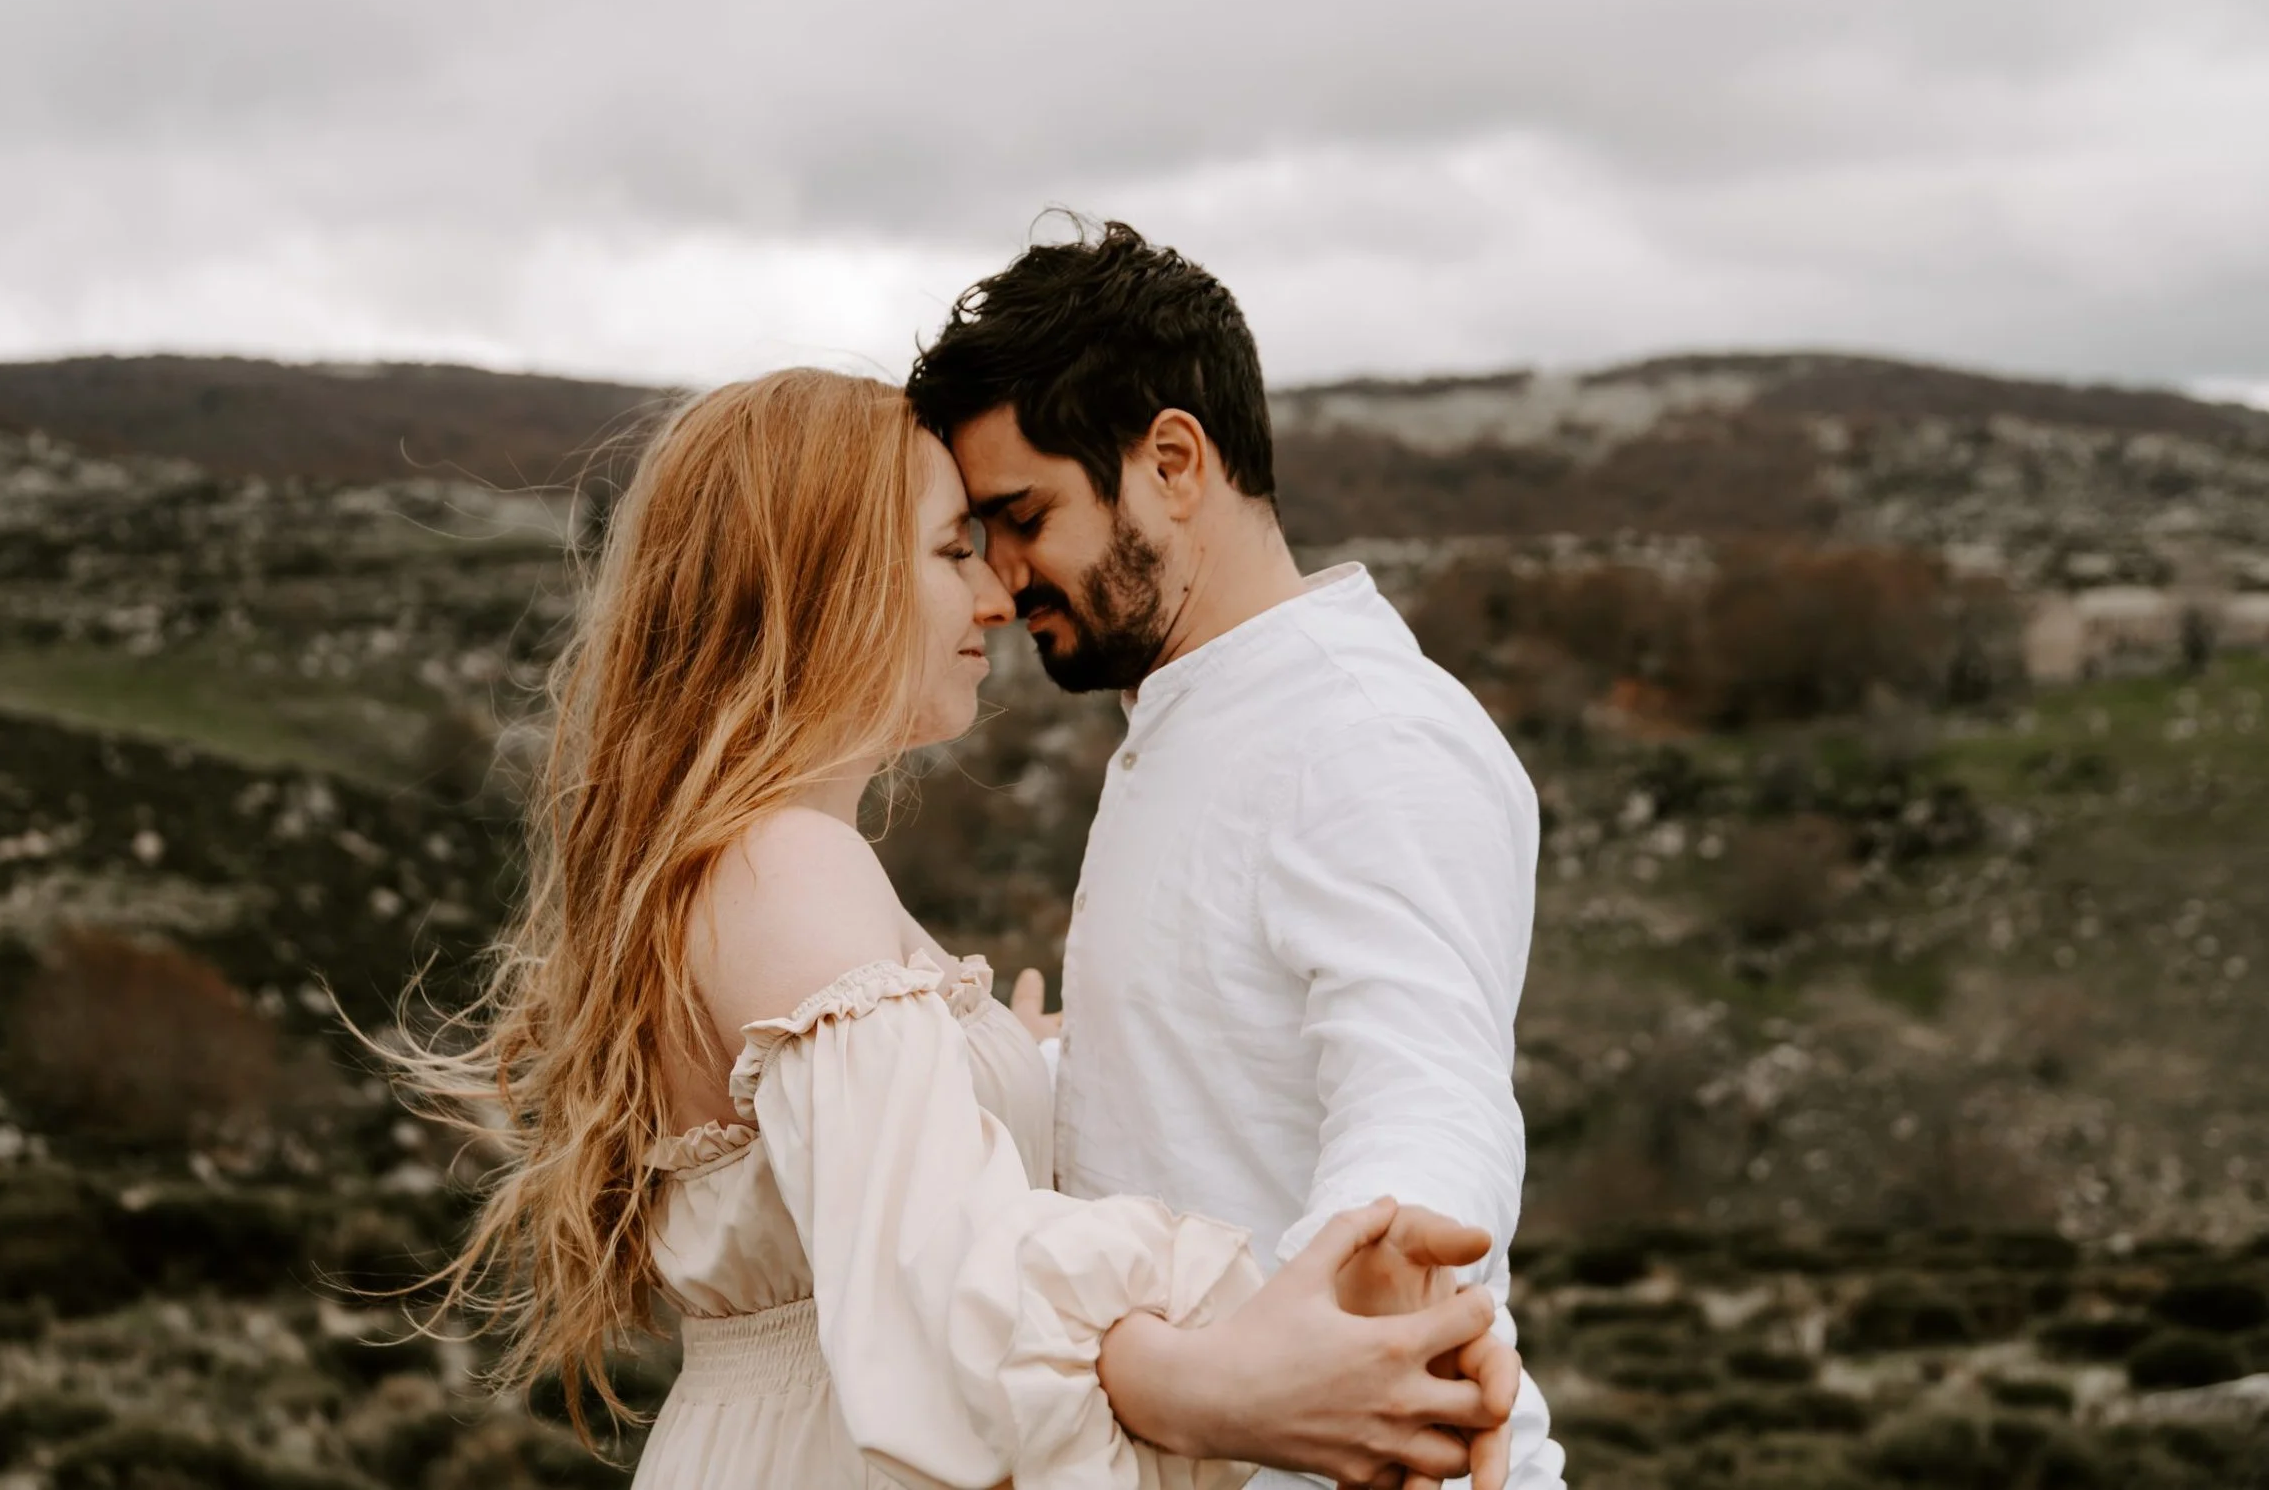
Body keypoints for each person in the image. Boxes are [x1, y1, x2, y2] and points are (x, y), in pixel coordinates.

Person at [383, 368, 1521, 1489]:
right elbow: (939, 1271)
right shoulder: (793, 863)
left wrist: (1012, 1064)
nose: (994, 595)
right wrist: (1224, 1390)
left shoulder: (751, 859)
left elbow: (863, 1172)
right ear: (823, 580)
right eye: (952, 549)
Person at [907, 221, 1570, 1490]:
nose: (1000, 577)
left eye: (1022, 514)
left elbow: (1424, 1089)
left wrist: (1360, 1294)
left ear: (1171, 460)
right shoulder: (1192, 721)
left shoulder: (1364, 731)